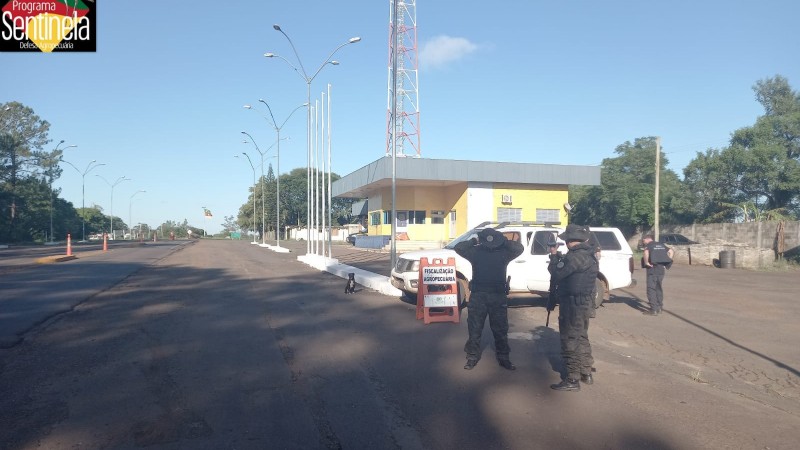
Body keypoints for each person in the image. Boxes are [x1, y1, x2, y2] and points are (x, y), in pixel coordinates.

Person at [454, 228, 524, 371]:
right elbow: (458, 247)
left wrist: (494, 241)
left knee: (500, 330)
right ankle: (472, 357)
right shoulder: (481, 252)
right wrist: (501, 241)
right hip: (481, 295)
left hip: (495, 296)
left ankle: (503, 357)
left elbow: (520, 248)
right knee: (475, 329)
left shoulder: (497, 252)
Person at [546, 224, 599, 392]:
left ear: (569, 241)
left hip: (572, 304)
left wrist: (554, 257)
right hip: (584, 303)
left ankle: (572, 378)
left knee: (570, 340)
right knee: (581, 337)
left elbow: (556, 274)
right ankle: (586, 372)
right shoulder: (590, 254)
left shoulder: (574, 257)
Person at [641, 234, 674, 316]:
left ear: (647, 239)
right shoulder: (661, 244)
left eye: (643, 240)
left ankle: (653, 310)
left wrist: (646, 262)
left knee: (651, 288)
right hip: (661, 269)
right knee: (658, 288)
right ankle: (659, 308)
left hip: (652, 268)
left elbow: (646, 252)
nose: (643, 242)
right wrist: (669, 261)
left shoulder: (649, 245)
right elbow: (671, 251)